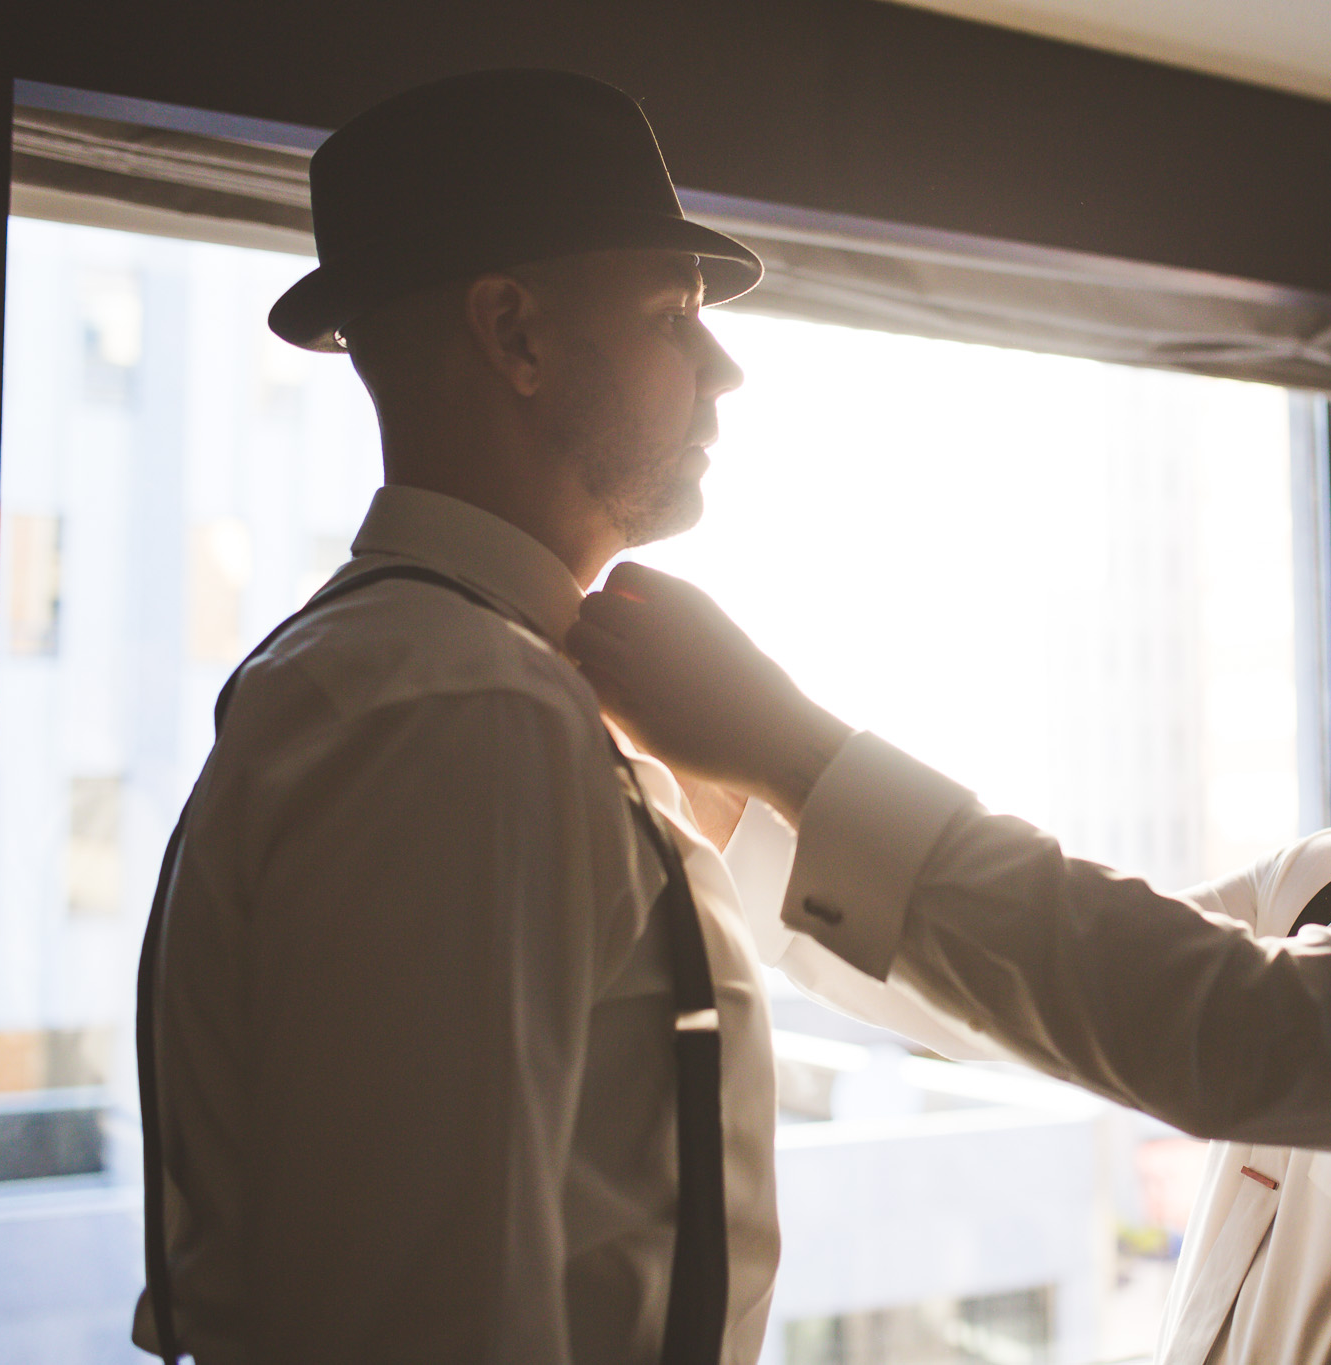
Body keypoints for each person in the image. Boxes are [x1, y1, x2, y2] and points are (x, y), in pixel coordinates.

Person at [570, 445, 1331, 1364]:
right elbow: (1031, 1000)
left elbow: (1234, 1038)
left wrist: (790, 744)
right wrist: (733, 802)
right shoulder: (1325, 882)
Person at [137, 70, 781, 1364]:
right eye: (673, 312)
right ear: (516, 337)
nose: (725, 369)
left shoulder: (442, 679)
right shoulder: (459, 709)